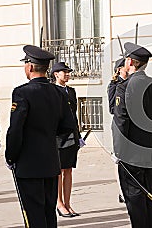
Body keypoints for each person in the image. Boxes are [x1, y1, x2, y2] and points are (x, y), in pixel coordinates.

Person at [5, 45, 75, 227]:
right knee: (48, 212)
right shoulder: (58, 92)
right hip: (51, 162)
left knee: (33, 215)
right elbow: (68, 125)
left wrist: (11, 156)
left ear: (29, 67)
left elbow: (15, 130)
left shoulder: (22, 92)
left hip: (29, 165)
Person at [112, 42, 152, 228]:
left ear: (130, 62)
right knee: (149, 194)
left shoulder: (124, 86)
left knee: (134, 198)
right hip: (150, 148)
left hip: (131, 152)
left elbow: (121, 122)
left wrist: (118, 152)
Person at [50, 62, 85, 217]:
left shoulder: (71, 91)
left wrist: (78, 135)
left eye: (68, 72)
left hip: (71, 135)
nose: (68, 74)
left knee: (68, 169)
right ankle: (59, 203)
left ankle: (68, 203)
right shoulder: (52, 90)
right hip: (58, 136)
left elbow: (73, 114)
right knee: (58, 171)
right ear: (56, 74)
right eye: (64, 72)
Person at [107, 57, 127, 203]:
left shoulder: (132, 82)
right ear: (119, 69)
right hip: (119, 123)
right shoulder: (114, 85)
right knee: (119, 157)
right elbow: (112, 107)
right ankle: (121, 191)